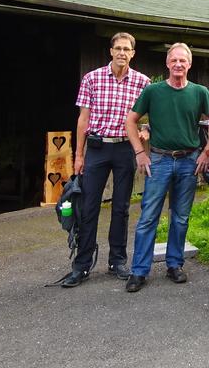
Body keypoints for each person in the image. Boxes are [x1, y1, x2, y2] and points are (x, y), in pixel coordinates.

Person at [61, 32, 150, 288]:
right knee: (88, 208)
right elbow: (83, 120)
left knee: (121, 208)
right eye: (118, 48)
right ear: (110, 51)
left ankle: (117, 261)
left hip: (125, 150)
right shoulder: (92, 78)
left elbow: (150, 119)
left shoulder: (143, 83)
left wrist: (146, 132)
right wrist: (79, 155)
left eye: (127, 49)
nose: (122, 53)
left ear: (133, 53)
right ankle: (82, 265)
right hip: (98, 149)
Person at [124, 43, 209, 293]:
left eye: (182, 61)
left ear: (189, 64)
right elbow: (131, 121)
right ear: (167, 63)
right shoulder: (153, 91)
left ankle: (175, 264)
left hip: (188, 160)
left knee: (181, 217)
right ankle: (139, 271)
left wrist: (206, 152)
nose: (178, 65)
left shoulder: (200, 92)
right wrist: (140, 153)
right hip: (160, 160)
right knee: (148, 216)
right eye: (174, 60)